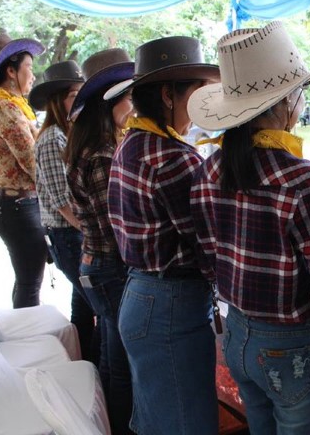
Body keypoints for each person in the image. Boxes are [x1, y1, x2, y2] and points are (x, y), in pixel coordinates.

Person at [187, 21, 310, 435]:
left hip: (238, 333)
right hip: (293, 346)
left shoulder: (210, 169)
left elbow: (208, 259)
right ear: (287, 102)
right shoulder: (305, 180)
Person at [106, 36, 221, 435]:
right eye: (196, 92)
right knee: (188, 424)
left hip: (142, 293)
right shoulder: (172, 157)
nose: (202, 102)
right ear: (169, 95)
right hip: (171, 303)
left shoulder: (134, 142)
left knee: (160, 420)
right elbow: (207, 243)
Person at [65, 48, 135, 435]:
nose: (132, 105)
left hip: (95, 264)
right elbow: (115, 225)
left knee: (110, 353)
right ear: (110, 102)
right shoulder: (104, 155)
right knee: (122, 364)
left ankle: (105, 424)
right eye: (128, 97)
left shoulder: (88, 147)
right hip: (110, 267)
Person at [31, 60, 98, 362]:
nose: (79, 101)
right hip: (66, 233)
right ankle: (96, 365)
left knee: (83, 304)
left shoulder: (67, 133)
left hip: (72, 232)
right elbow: (62, 200)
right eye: (73, 95)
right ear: (58, 101)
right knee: (96, 304)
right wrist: (91, 232)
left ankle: (82, 362)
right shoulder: (51, 138)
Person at [0, 33, 47, 308]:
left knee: (27, 279)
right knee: (30, 282)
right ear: (11, 71)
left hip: (15, 203)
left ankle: (28, 327)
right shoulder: (5, 107)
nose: (33, 75)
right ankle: (29, 330)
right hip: (15, 205)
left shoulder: (11, 105)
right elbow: (32, 162)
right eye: (29, 67)